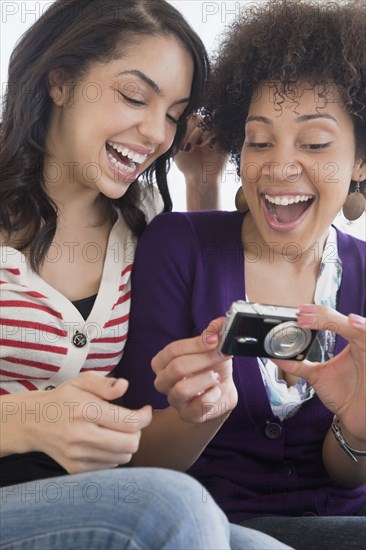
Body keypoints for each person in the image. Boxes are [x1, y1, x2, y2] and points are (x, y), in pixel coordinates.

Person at [0, 0, 293, 548]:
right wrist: (24, 418)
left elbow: (150, 459)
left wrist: (200, 414)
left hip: (77, 502)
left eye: (174, 114)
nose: (157, 133)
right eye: (135, 96)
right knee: (169, 510)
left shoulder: (143, 230)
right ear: (59, 82)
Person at [118, 1, 366, 549]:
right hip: (210, 525)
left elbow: (350, 476)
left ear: (360, 162)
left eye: (316, 143)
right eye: (258, 141)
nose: (278, 168)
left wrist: (356, 424)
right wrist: (195, 415)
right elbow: (136, 464)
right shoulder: (177, 247)